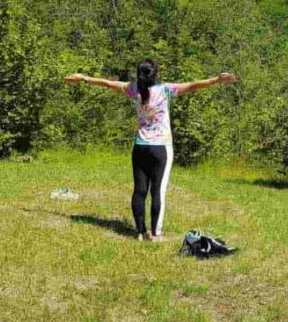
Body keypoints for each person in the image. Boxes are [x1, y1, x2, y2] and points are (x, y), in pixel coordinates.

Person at [64, 61, 237, 242]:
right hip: (160, 147)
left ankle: (140, 232)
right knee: (157, 191)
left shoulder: (133, 89)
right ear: (157, 74)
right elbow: (193, 86)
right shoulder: (166, 90)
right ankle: (155, 234)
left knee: (139, 190)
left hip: (140, 146)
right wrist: (217, 80)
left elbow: (108, 84)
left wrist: (84, 78)